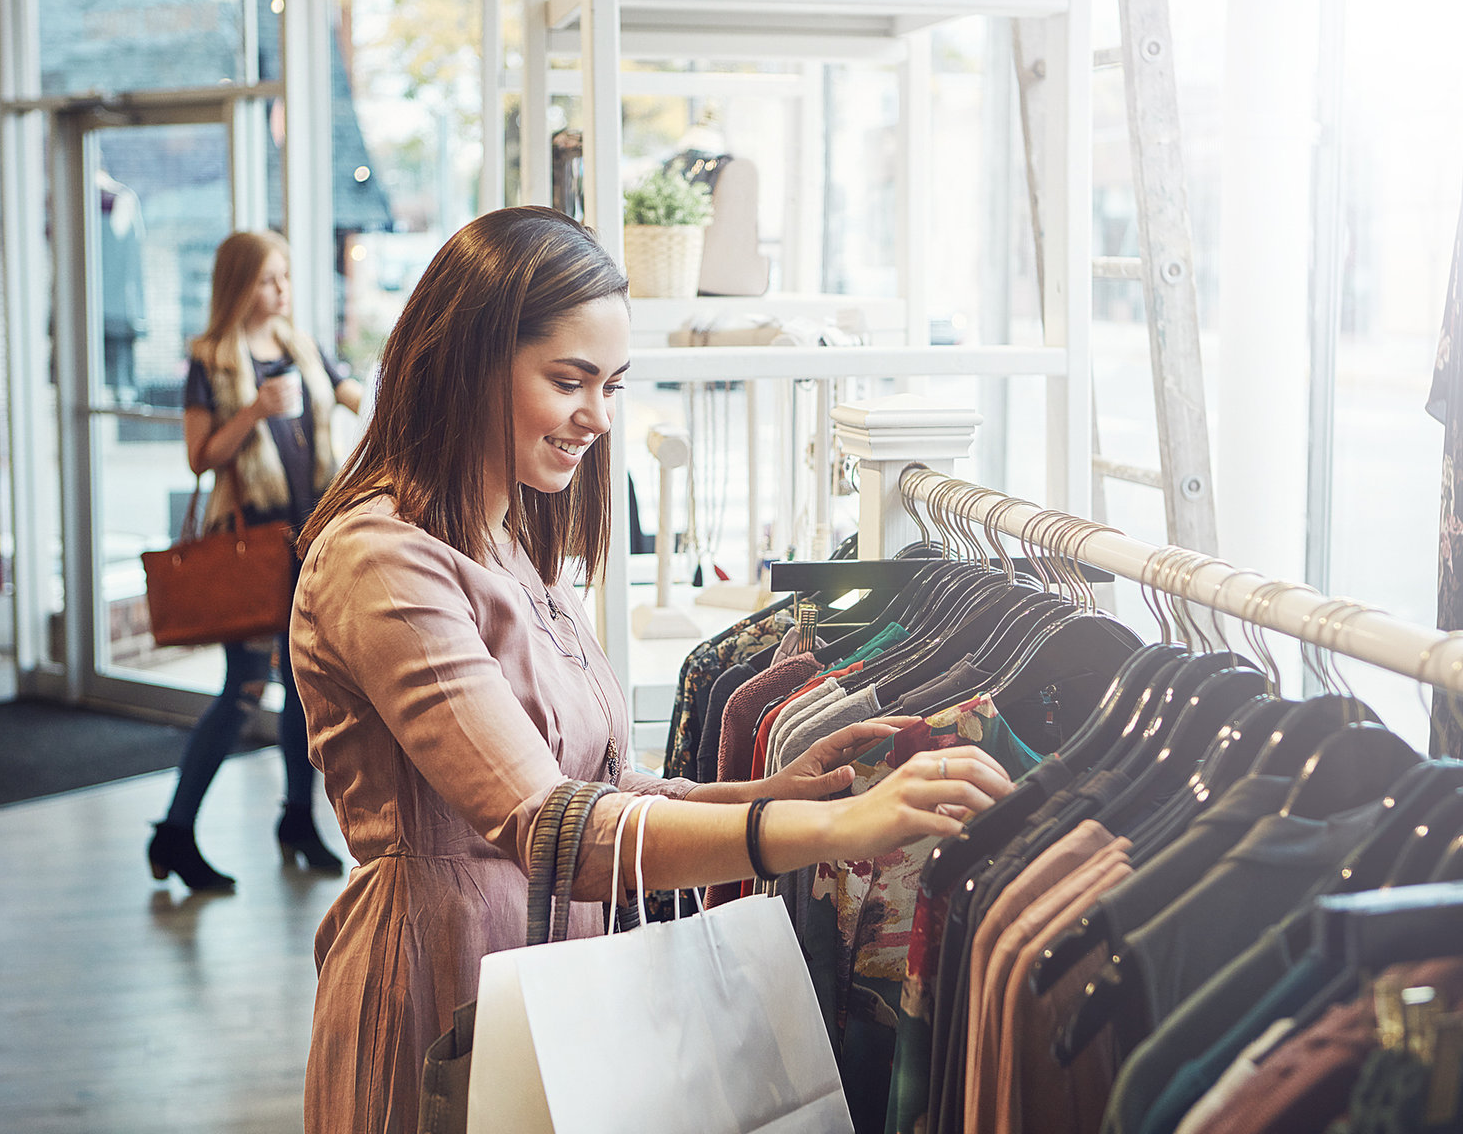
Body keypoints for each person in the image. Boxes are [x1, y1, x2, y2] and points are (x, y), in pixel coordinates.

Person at [290, 206, 1013, 1134]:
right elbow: (553, 828)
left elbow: (601, 784)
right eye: (569, 380)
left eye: (613, 386)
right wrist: (825, 826)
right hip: (440, 977)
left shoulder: (509, 538)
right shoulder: (380, 559)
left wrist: (766, 787)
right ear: (469, 363)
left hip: (546, 968)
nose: (596, 417)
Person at [146, 230, 366, 892]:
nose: (281, 291)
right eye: (269, 279)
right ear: (239, 285)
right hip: (251, 544)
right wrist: (255, 411)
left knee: (305, 682)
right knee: (244, 688)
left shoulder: (302, 347)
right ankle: (175, 831)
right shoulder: (210, 361)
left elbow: (352, 394)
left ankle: (297, 817)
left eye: (287, 278)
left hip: (310, 538)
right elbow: (200, 456)